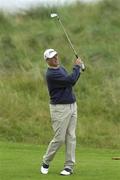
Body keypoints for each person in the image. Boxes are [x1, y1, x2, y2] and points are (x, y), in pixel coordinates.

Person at [40, 48, 84, 176]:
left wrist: (78, 69)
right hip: (59, 109)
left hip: (72, 106)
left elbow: (70, 82)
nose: (55, 58)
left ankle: (69, 167)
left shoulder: (61, 68)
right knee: (59, 139)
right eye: (52, 57)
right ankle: (46, 161)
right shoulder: (51, 74)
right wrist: (77, 67)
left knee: (71, 137)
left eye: (56, 56)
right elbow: (70, 81)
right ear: (47, 61)